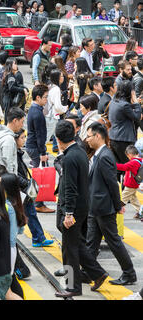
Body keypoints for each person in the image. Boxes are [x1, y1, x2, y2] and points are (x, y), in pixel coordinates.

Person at [53, 121, 109, 298]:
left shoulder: (69, 158)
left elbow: (70, 188)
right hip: (83, 206)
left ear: (58, 139)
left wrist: (68, 213)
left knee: (70, 249)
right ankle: (98, 273)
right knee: (76, 243)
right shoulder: (80, 152)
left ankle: (72, 287)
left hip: (73, 209)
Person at [85, 122, 137, 286]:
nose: (87, 139)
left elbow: (112, 184)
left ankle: (129, 273)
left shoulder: (105, 156)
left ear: (97, 136)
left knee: (113, 241)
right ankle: (88, 271)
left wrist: (118, 205)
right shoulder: (99, 154)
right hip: (95, 207)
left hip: (104, 207)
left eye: (89, 136)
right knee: (91, 242)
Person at [14, 129, 54, 247]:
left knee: (30, 212)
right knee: (30, 212)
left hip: (22, 187)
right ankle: (38, 237)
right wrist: (26, 184)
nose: (24, 140)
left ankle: (38, 237)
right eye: (22, 137)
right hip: (21, 187)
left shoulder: (17, 152)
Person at [26, 84, 54, 214]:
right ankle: (38, 202)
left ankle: (35, 200)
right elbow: (40, 135)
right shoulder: (38, 113)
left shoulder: (33, 109)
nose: (46, 100)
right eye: (45, 97)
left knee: (37, 174)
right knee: (39, 176)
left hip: (32, 146)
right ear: (38, 97)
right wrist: (43, 152)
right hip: (36, 148)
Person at [108, 80, 142, 169]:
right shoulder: (124, 105)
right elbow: (137, 117)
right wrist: (136, 103)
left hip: (114, 137)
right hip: (124, 139)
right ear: (130, 91)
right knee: (128, 166)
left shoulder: (114, 101)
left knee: (119, 166)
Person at [0, 107, 26, 175]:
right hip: (7, 180)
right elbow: (8, 165)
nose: (22, 125)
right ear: (15, 121)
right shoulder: (8, 140)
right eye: (22, 122)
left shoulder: (1, 133)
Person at [116, 145, 143, 218]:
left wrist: (112, 164)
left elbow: (123, 167)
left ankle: (115, 212)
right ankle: (140, 211)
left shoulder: (133, 162)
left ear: (129, 154)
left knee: (123, 198)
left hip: (130, 185)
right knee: (133, 199)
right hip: (134, 184)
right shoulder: (139, 160)